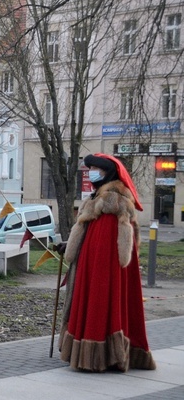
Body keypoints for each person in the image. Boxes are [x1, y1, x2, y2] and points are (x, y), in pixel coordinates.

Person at [58, 153, 156, 372]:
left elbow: (109, 245)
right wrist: (72, 245)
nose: (91, 173)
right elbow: (92, 235)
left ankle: (100, 356)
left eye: (95, 169)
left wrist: (96, 266)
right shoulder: (97, 198)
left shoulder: (113, 201)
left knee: (102, 303)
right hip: (91, 266)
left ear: (107, 172)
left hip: (103, 269)